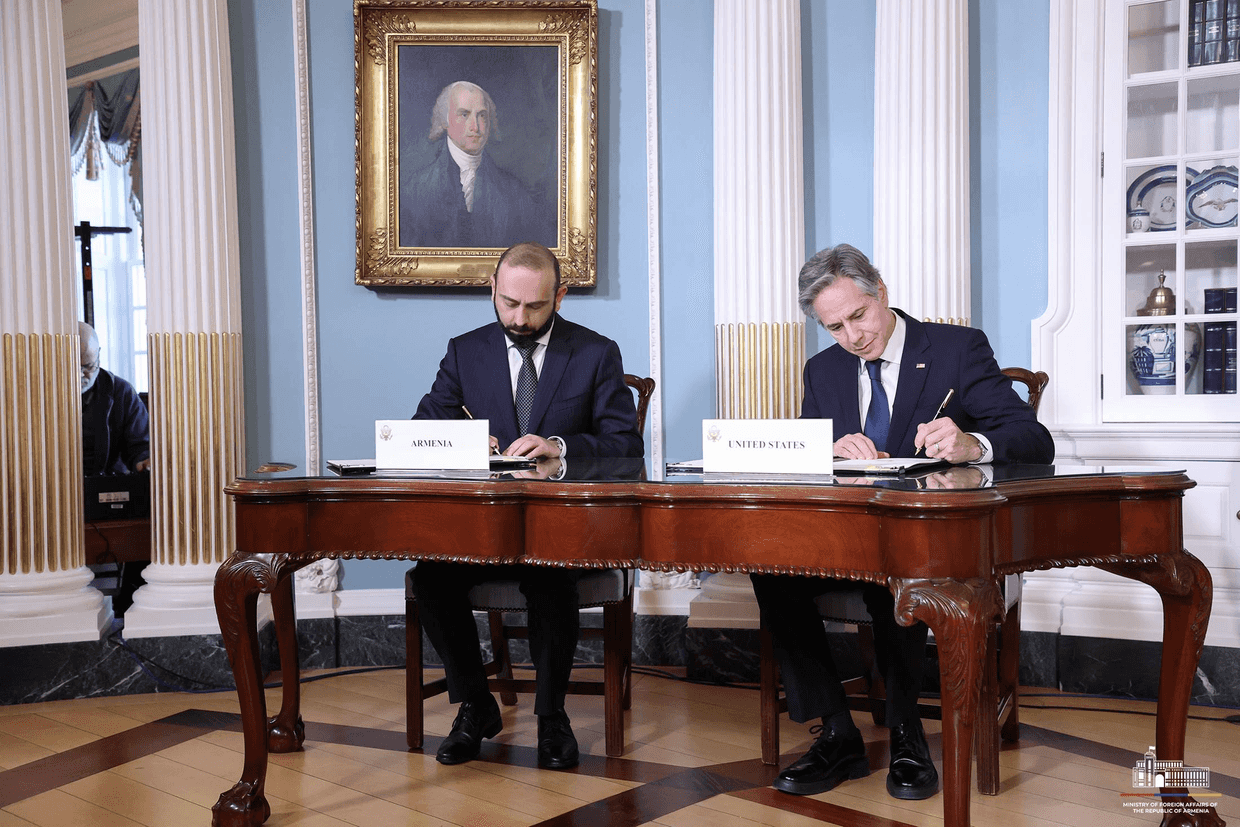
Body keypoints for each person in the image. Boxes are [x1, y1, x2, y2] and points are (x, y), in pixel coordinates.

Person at [751, 244, 1054, 801]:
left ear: (881, 293)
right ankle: (838, 731)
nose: (852, 337)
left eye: (859, 316)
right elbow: (797, 458)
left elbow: (1034, 438)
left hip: (930, 544)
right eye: (834, 326)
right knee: (770, 565)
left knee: (899, 571)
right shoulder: (823, 370)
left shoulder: (956, 349)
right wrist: (826, 451)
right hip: (846, 540)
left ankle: (907, 732)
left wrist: (973, 444)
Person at [411, 241, 643, 770]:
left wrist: (561, 449)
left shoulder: (595, 353)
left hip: (561, 529)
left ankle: (551, 716)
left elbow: (627, 449)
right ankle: (475, 704)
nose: (519, 318)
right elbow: (422, 429)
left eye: (535, 307)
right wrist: (465, 443)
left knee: (549, 575)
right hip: (483, 528)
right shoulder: (464, 351)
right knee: (430, 577)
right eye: (509, 303)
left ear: (559, 297)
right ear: (491, 290)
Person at [399, 81, 554, 249]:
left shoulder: (514, 193)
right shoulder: (415, 190)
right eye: (464, 114)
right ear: (445, 120)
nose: (475, 127)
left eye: (481, 115)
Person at [80, 321, 150, 475]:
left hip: (108, 487)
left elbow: (141, 447)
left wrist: (144, 462)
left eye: (88, 367)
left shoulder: (122, 393)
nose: (80, 375)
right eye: (74, 367)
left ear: (99, 354)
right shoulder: (42, 395)